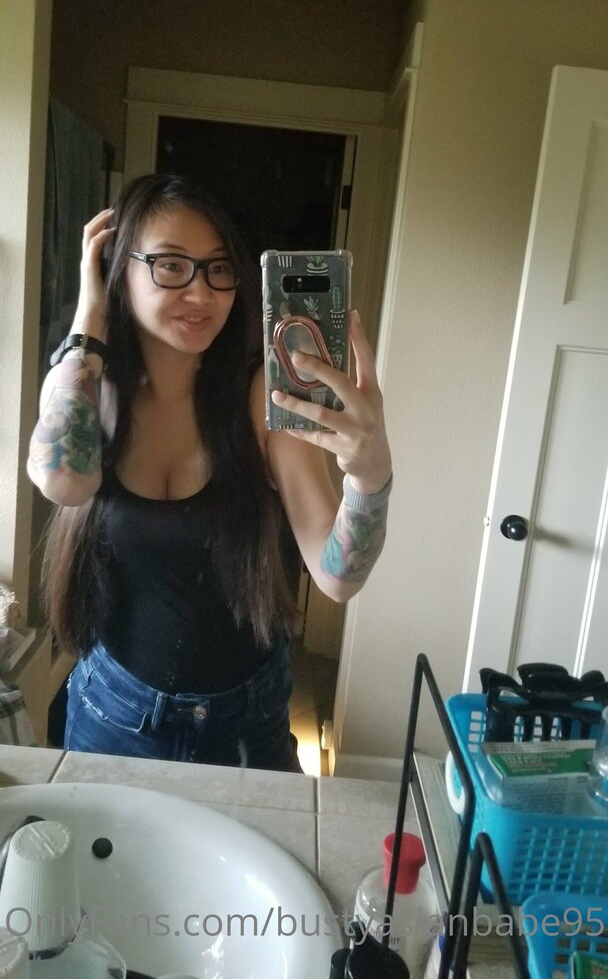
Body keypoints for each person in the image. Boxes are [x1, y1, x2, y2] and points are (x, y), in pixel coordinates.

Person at [28, 174, 392, 772]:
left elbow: (337, 578)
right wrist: (90, 312)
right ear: (120, 271)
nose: (201, 292)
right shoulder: (88, 387)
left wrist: (370, 477)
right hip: (114, 713)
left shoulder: (260, 396)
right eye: (171, 265)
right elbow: (63, 481)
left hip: (246, 723)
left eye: (218, 268)